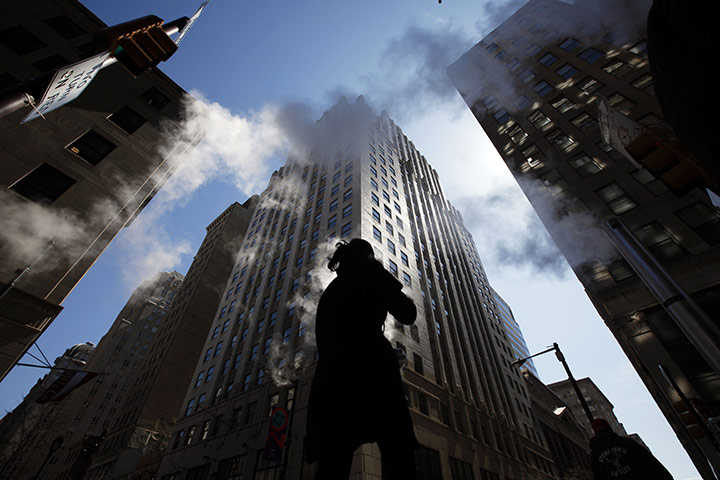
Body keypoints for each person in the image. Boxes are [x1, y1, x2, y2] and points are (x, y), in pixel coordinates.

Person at [306, 239, 419, 480]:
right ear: (367, 258)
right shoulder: (371, 273)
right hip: (373, 372)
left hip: (331, 381)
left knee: (333, 461)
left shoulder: (330, 292)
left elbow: (324, 342)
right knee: (398, 447)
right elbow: (408, 313)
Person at [590, 418, 673, 480]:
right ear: (609, 428)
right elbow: (650, 463)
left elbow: (598, 476)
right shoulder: (626, 443)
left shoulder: (594, 455)